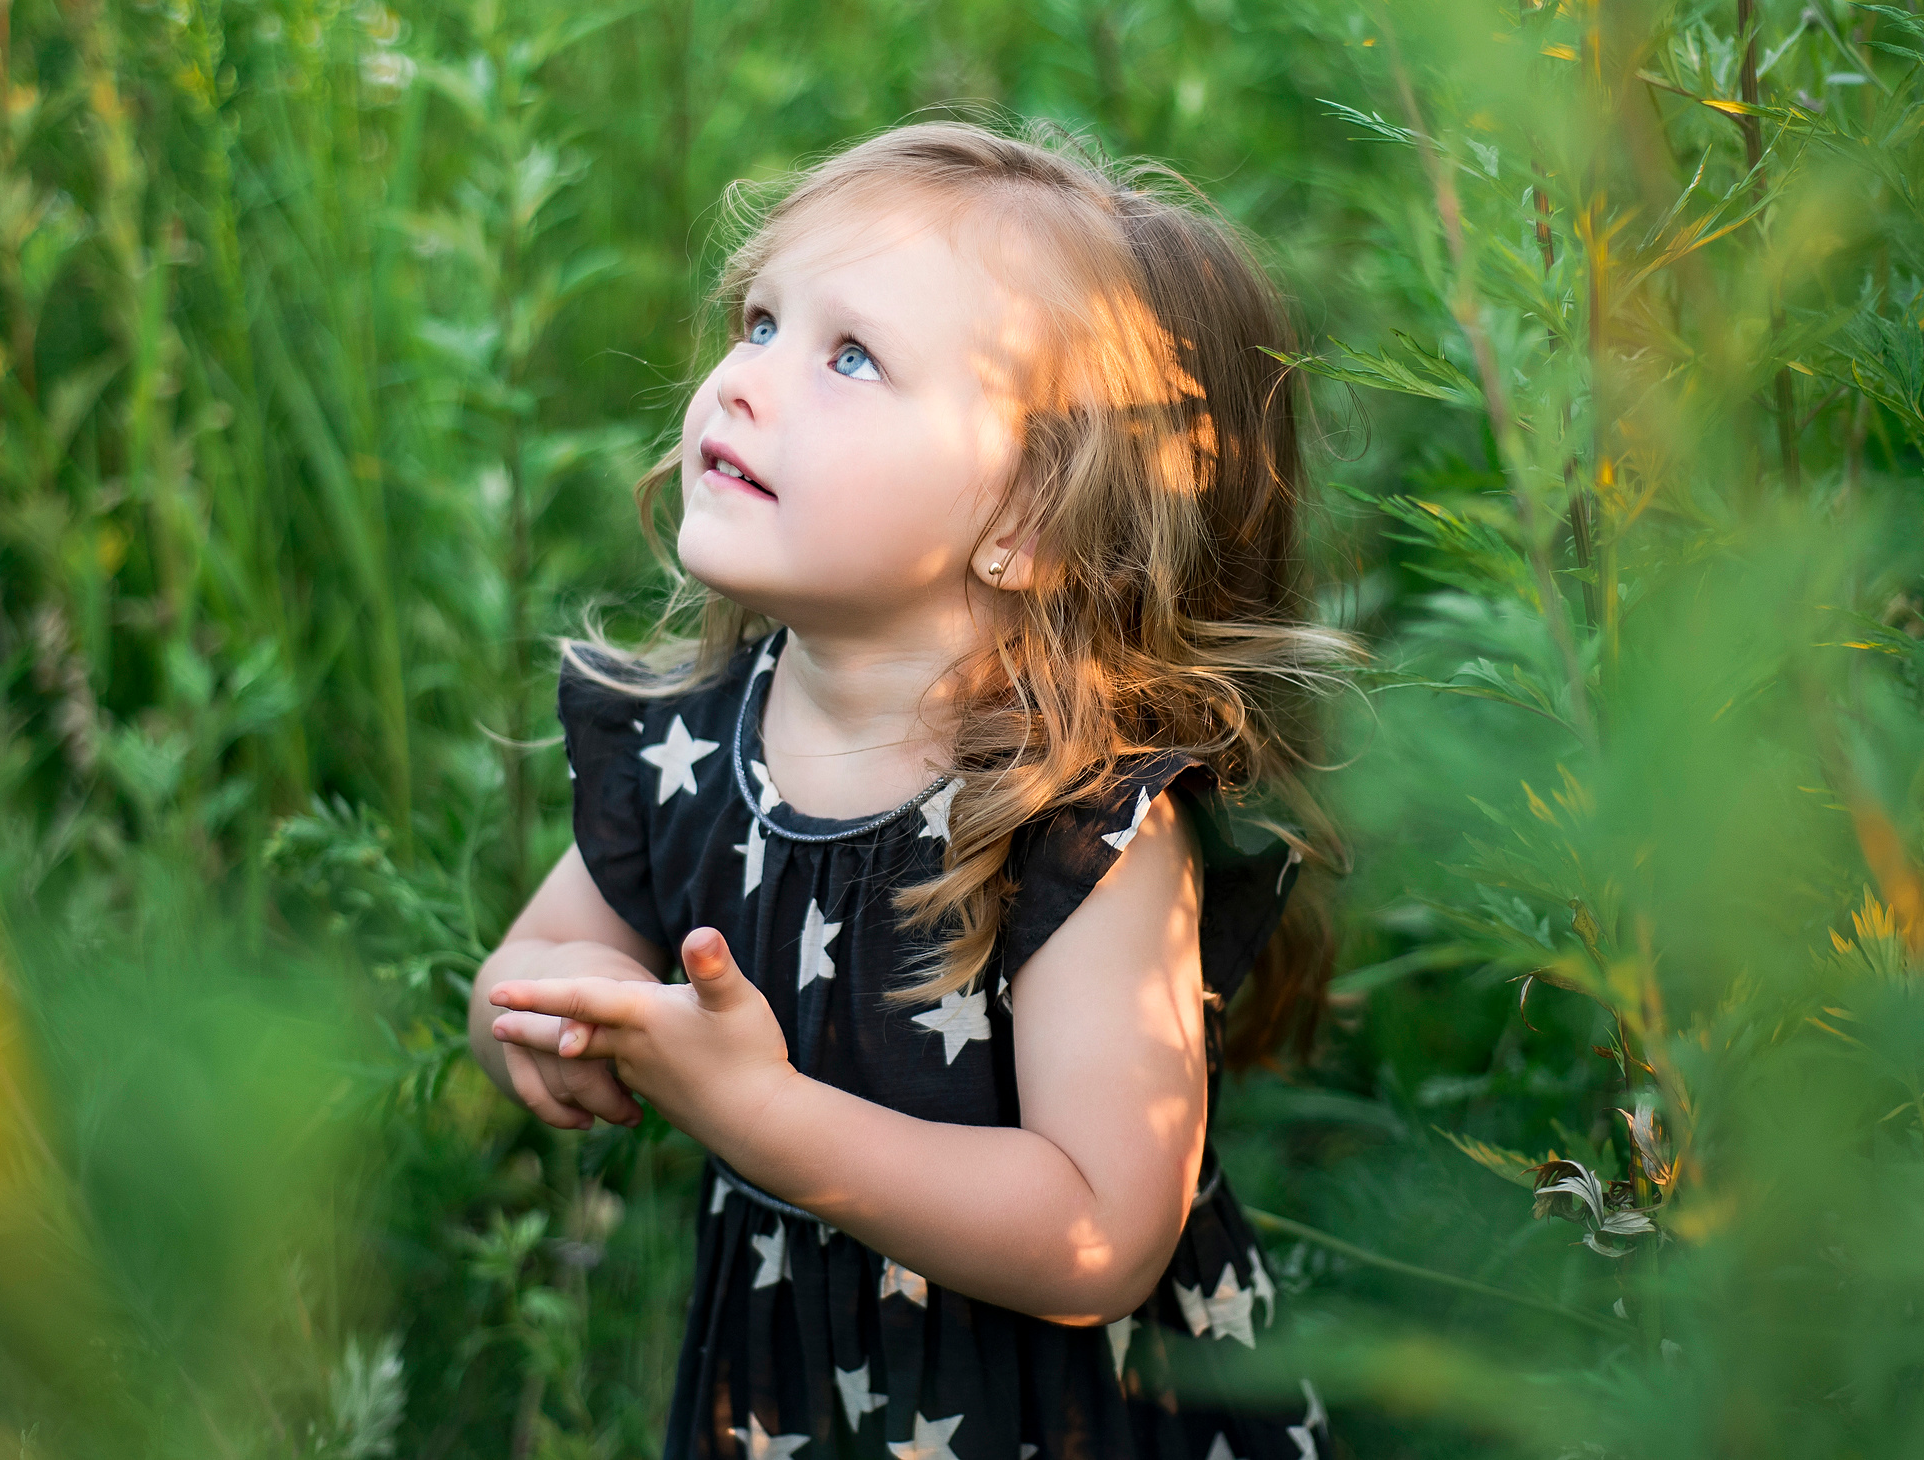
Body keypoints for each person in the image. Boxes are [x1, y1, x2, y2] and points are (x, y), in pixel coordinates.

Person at [469, 122, 1351, 1460]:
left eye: (851, 356)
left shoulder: (1082, 824)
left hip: (1062, 1422)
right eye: (761, 322)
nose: (745, 383)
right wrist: (534, 1018)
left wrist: (766, 1118)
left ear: (1029, 519)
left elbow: (1102, 1226)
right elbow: (553, 949)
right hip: (792, 1402)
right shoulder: (698, 742)